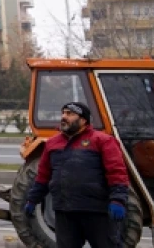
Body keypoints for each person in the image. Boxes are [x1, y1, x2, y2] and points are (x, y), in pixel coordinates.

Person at [25, 102, 129, 248]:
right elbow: (43, 176)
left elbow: (117, 172)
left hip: (96, 212)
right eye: (63, 113)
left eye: (70, 114)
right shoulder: (52, 143)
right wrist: (32, 200)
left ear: (83, 120)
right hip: (64, 213)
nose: (64, 117)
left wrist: (118, 199)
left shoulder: (103, 141)